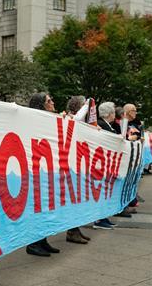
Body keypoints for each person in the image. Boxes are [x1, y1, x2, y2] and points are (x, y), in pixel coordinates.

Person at [25, 92, 61, 257]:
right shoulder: (34, 121)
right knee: (37, 207)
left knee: (46, 207)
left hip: (48, 170)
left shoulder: (50, 120)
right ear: (41, 105)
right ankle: (33, 243)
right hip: (36, 170)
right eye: (49, 100)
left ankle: (42, 239)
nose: (52, 102)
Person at [64, 95, 91, 244]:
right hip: (70, 167)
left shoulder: (81, 122)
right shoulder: (69, 119)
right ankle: (72, 231)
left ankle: (75, 229)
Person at [93, 102, 118, 230]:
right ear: (109, 113)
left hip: (106, 164)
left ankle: (104, 217)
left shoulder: (106, 125)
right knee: (101, 192)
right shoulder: (101, 125)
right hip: (101, 165)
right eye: (113, 112)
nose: (115, 114)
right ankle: (99, 219)